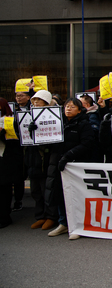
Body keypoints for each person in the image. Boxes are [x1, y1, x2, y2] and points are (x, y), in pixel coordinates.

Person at [47, 98, 101, 239]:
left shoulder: (85, 124)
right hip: (59, 164)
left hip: (75, 165)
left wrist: (68, 156)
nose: (68, 109)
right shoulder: (58, 123)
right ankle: (63, 223)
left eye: (72, 107)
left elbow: (87, 143)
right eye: (66, 106)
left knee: (76, 196)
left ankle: (78, 225)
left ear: (79, 109)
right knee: (60, 194)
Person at [24, 90, 58, 230]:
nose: (36, 102)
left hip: (46, 159)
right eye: (34, 100)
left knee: (47, 191)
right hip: (32, 158)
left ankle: (51, 217)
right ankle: (40, 216)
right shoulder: (27, 114)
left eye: (39, 100)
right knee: (35, 191)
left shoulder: (52, 116)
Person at [0, 99, 19, 228]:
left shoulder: (10, 121)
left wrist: (2, 133)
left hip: (4, 160)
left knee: (3, 191)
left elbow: (14, 142)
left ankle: (4, 217)